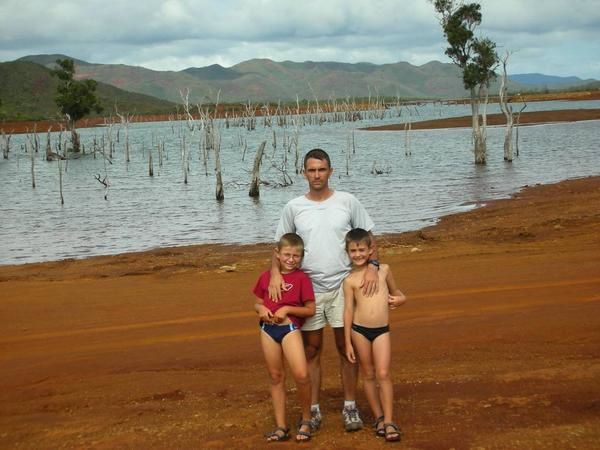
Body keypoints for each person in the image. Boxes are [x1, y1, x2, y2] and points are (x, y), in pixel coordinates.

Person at [269, 148, 380, 432]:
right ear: (304, 173)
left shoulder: (347, 201)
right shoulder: (294, 207)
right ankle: (314, 409)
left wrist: (372, 267)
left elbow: (368, 236)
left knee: (347, 348)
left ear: (330, 171)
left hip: (345, 285)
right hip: (310, 289)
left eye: (321, 169)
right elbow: (280, 248)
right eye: (311, 170)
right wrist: (274, 275)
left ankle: (350, 406)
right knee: (312, 350)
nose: (316, 175)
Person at [343, 228, 407, 442]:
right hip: (359, 331)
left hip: (381, 331)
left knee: (383, 373)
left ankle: (389, 421)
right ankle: (378, 417)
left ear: (371, 250)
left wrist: (401, 299)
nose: (358, 254)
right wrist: (347, 343)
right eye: (353, 251)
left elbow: (396, 293)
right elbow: (348, 312)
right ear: (347, 252)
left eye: (362, 249)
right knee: (368, 374)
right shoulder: (350, 280)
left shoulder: (385, 270)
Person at [253, 233, 316, 442]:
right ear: (277, 254)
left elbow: (310, 309)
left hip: (289, 329)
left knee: (301, 375)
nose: (291, 259)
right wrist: (261, 309)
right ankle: (281, 426)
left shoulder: (302, 279)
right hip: (268, 330)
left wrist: (288, 308)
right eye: (287, 254)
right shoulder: (266, 277)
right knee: (275, 376)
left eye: (296, 256)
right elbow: (257, 302)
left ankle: (306, 420)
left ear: (301, 256)